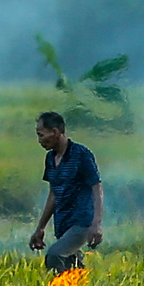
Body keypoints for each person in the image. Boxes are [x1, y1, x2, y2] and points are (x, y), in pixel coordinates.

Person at [27, 110, 103, 273]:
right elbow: (53, 194)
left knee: (55, 256)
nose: (39, 140)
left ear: (55, 132)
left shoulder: (81, 155)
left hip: (82, 222)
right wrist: (41, 228)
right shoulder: (50, 159)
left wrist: (96, 224)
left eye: (41, 135)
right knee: (72, 269)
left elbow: (96, 188)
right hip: (62, 224)